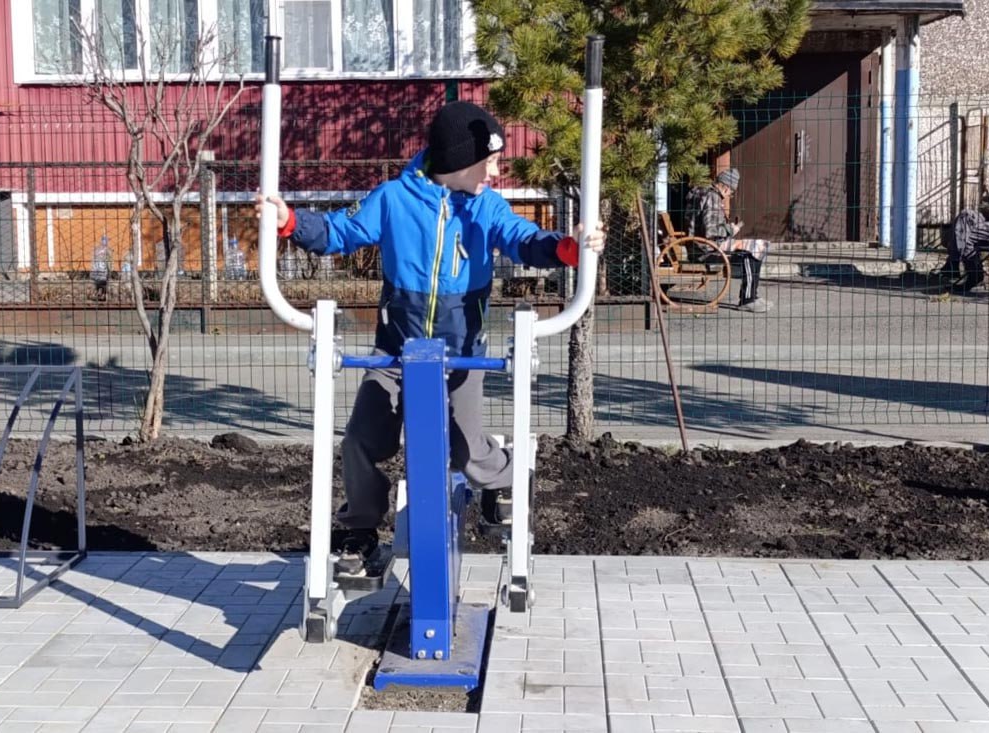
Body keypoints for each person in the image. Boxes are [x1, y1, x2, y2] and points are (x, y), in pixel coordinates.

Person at [260, 101, 605, 575]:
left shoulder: (486, 207)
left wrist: (566, 248)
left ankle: (505, 477)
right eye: (491, 161)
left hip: (461, 355)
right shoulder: (393, 200)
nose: (497, 171)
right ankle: (358, 531)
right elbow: (342, 231)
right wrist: (292, 223)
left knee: (464, 451)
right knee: (361, 440)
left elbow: (524, 240)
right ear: (461, 161)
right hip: (395, 352)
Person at [684, 168, 771, 313]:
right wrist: (731, 229)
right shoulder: (712, 197)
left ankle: (752, 296)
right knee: (749, 254)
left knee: (758, 246)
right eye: (732, 192)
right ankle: (747, 300)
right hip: (706, 250)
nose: (730, 195)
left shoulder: (702, 194)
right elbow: (710, 231)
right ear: (725, 186)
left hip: (700, 246)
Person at [941, 175, 989, 291]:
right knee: (965, 215)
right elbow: (988, 201)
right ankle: (955, 263)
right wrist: (987, 205)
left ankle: (961, 267)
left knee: (965, 236)